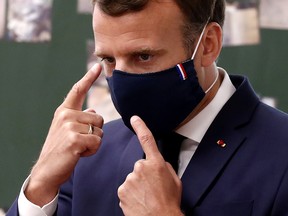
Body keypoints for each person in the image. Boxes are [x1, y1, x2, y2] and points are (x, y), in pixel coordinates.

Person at [6, 0, 288, 215]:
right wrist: (40, 187)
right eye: (108, 59)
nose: (123, 80)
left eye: (143, 56)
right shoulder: (89, 155)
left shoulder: (281, 154)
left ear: (208, 45)